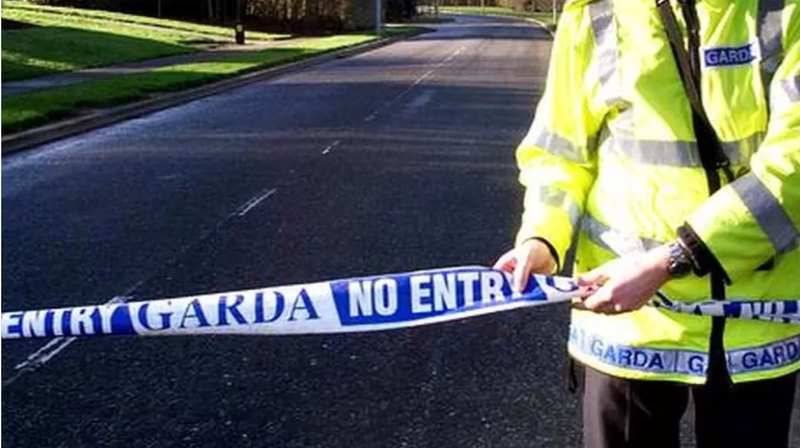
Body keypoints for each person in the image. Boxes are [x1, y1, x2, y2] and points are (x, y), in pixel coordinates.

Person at [494, 1, 800, 447]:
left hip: (754, 328)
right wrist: (543, 237)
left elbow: (792, 167)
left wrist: (674, 258)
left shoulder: (786, 11)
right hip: (629, 327)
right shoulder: (596, 13)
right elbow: (558, 154)